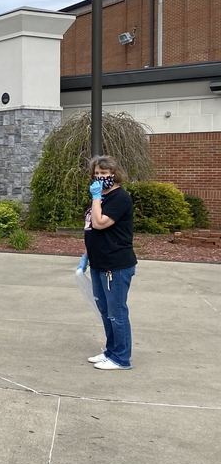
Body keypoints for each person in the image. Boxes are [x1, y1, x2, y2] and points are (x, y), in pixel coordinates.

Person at [79, 155, 137, 370]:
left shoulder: (119, 198)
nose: (99, 177)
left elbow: (100, 223)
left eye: (104, 173)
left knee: (116, 312)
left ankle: (121, 358)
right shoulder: (101, 197)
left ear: (114, 174)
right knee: (105, 311)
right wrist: (86, 255)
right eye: (96, 173)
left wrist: (96, 198)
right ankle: (111, 351)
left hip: (116, 263)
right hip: (99, 262)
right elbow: (90, 229)